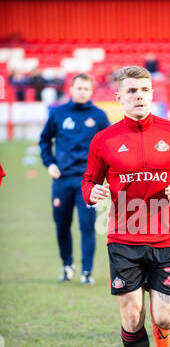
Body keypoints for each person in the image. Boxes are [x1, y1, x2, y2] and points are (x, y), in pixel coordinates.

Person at [81, 66, 170, 347]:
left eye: (144, 90)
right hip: (123, 239)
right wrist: (92, 193)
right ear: (118, 96)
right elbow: (89, 179)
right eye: (132, 90)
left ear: (152, 94)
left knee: (164, 317)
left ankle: (162, 326)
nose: (139, 96)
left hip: (165, 239)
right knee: (131, 314)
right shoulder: (104, 140)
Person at [39, 73, 110, 284]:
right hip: (62, 180)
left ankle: (86, 271)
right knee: (62, 225)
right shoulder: (58, 113)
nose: (82, 92)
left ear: (91, 91)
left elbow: (110, 146)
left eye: (86, 89)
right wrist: (50, 163)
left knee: (87, 226)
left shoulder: (98, 116)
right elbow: (44, 140)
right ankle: (67, 265)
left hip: (88, 183)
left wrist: (104, 173)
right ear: (71, 89)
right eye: (79, 88)